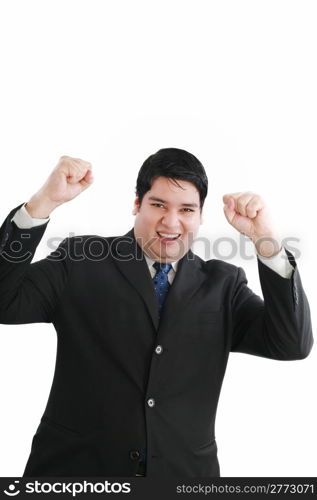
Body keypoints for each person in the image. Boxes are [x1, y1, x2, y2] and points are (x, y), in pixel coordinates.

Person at [0, 148, 313, 478]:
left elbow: (291, 344)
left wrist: (266, 241)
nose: (171, 222)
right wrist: (42, 203)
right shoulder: (80, 261)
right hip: (77, 474)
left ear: (201, 215)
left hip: (183, 480)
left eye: (186, 209)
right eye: (158, 205)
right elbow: (4, 302)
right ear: (137, 204)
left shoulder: (224, 284)